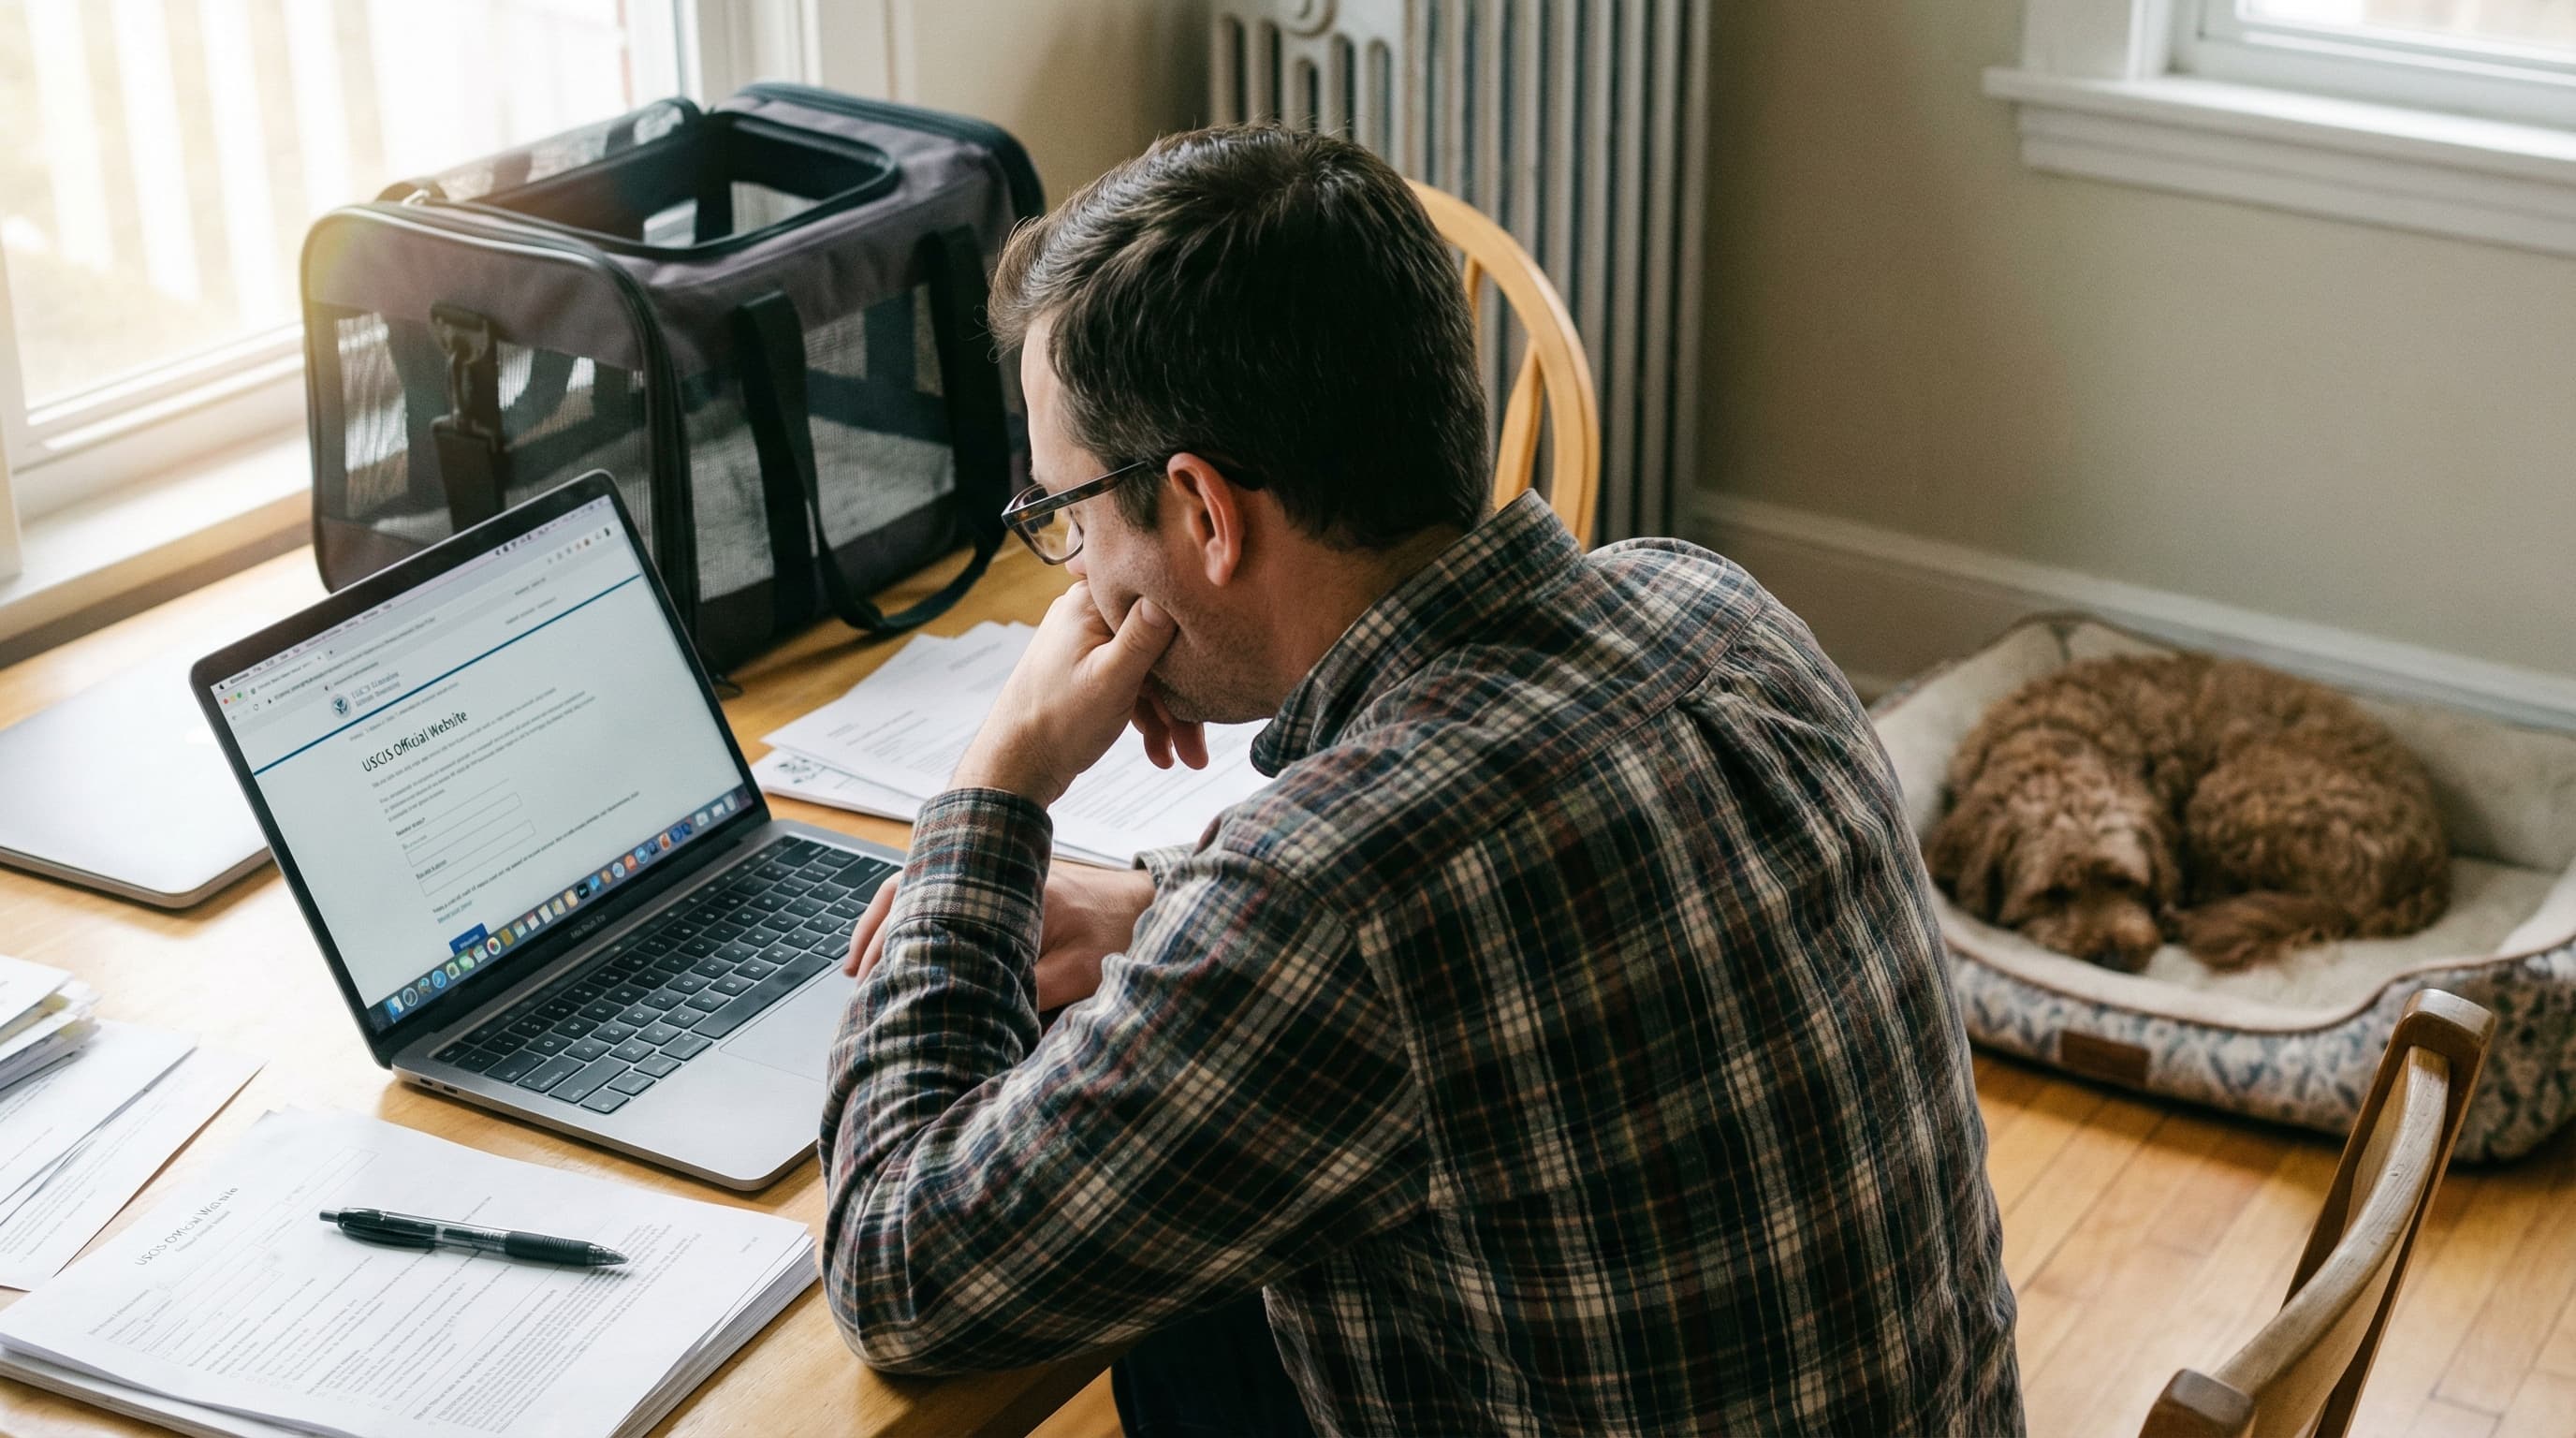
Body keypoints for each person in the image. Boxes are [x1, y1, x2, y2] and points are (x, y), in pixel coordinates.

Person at [820, 124, 2022, 1436]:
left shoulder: (1330, 900)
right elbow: (1516, 883)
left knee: (1176, 1324)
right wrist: (1169, 905)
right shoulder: (1713, 608)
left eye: (1070, 515)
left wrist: (994, 787)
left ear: (1206, 515)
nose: (1075, 573)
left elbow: (902, 1270)